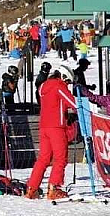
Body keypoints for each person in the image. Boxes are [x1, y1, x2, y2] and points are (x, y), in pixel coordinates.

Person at [26, 65, 77, 200]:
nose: (68, 85)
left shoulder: (43, 86)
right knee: (60, 158)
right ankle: (54, 188)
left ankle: (32, 188)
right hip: (57, 127)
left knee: (43, 158)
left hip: (44, 126)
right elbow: (73, 103)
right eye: (68, 81)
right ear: (63, 76)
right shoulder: (59, 86)